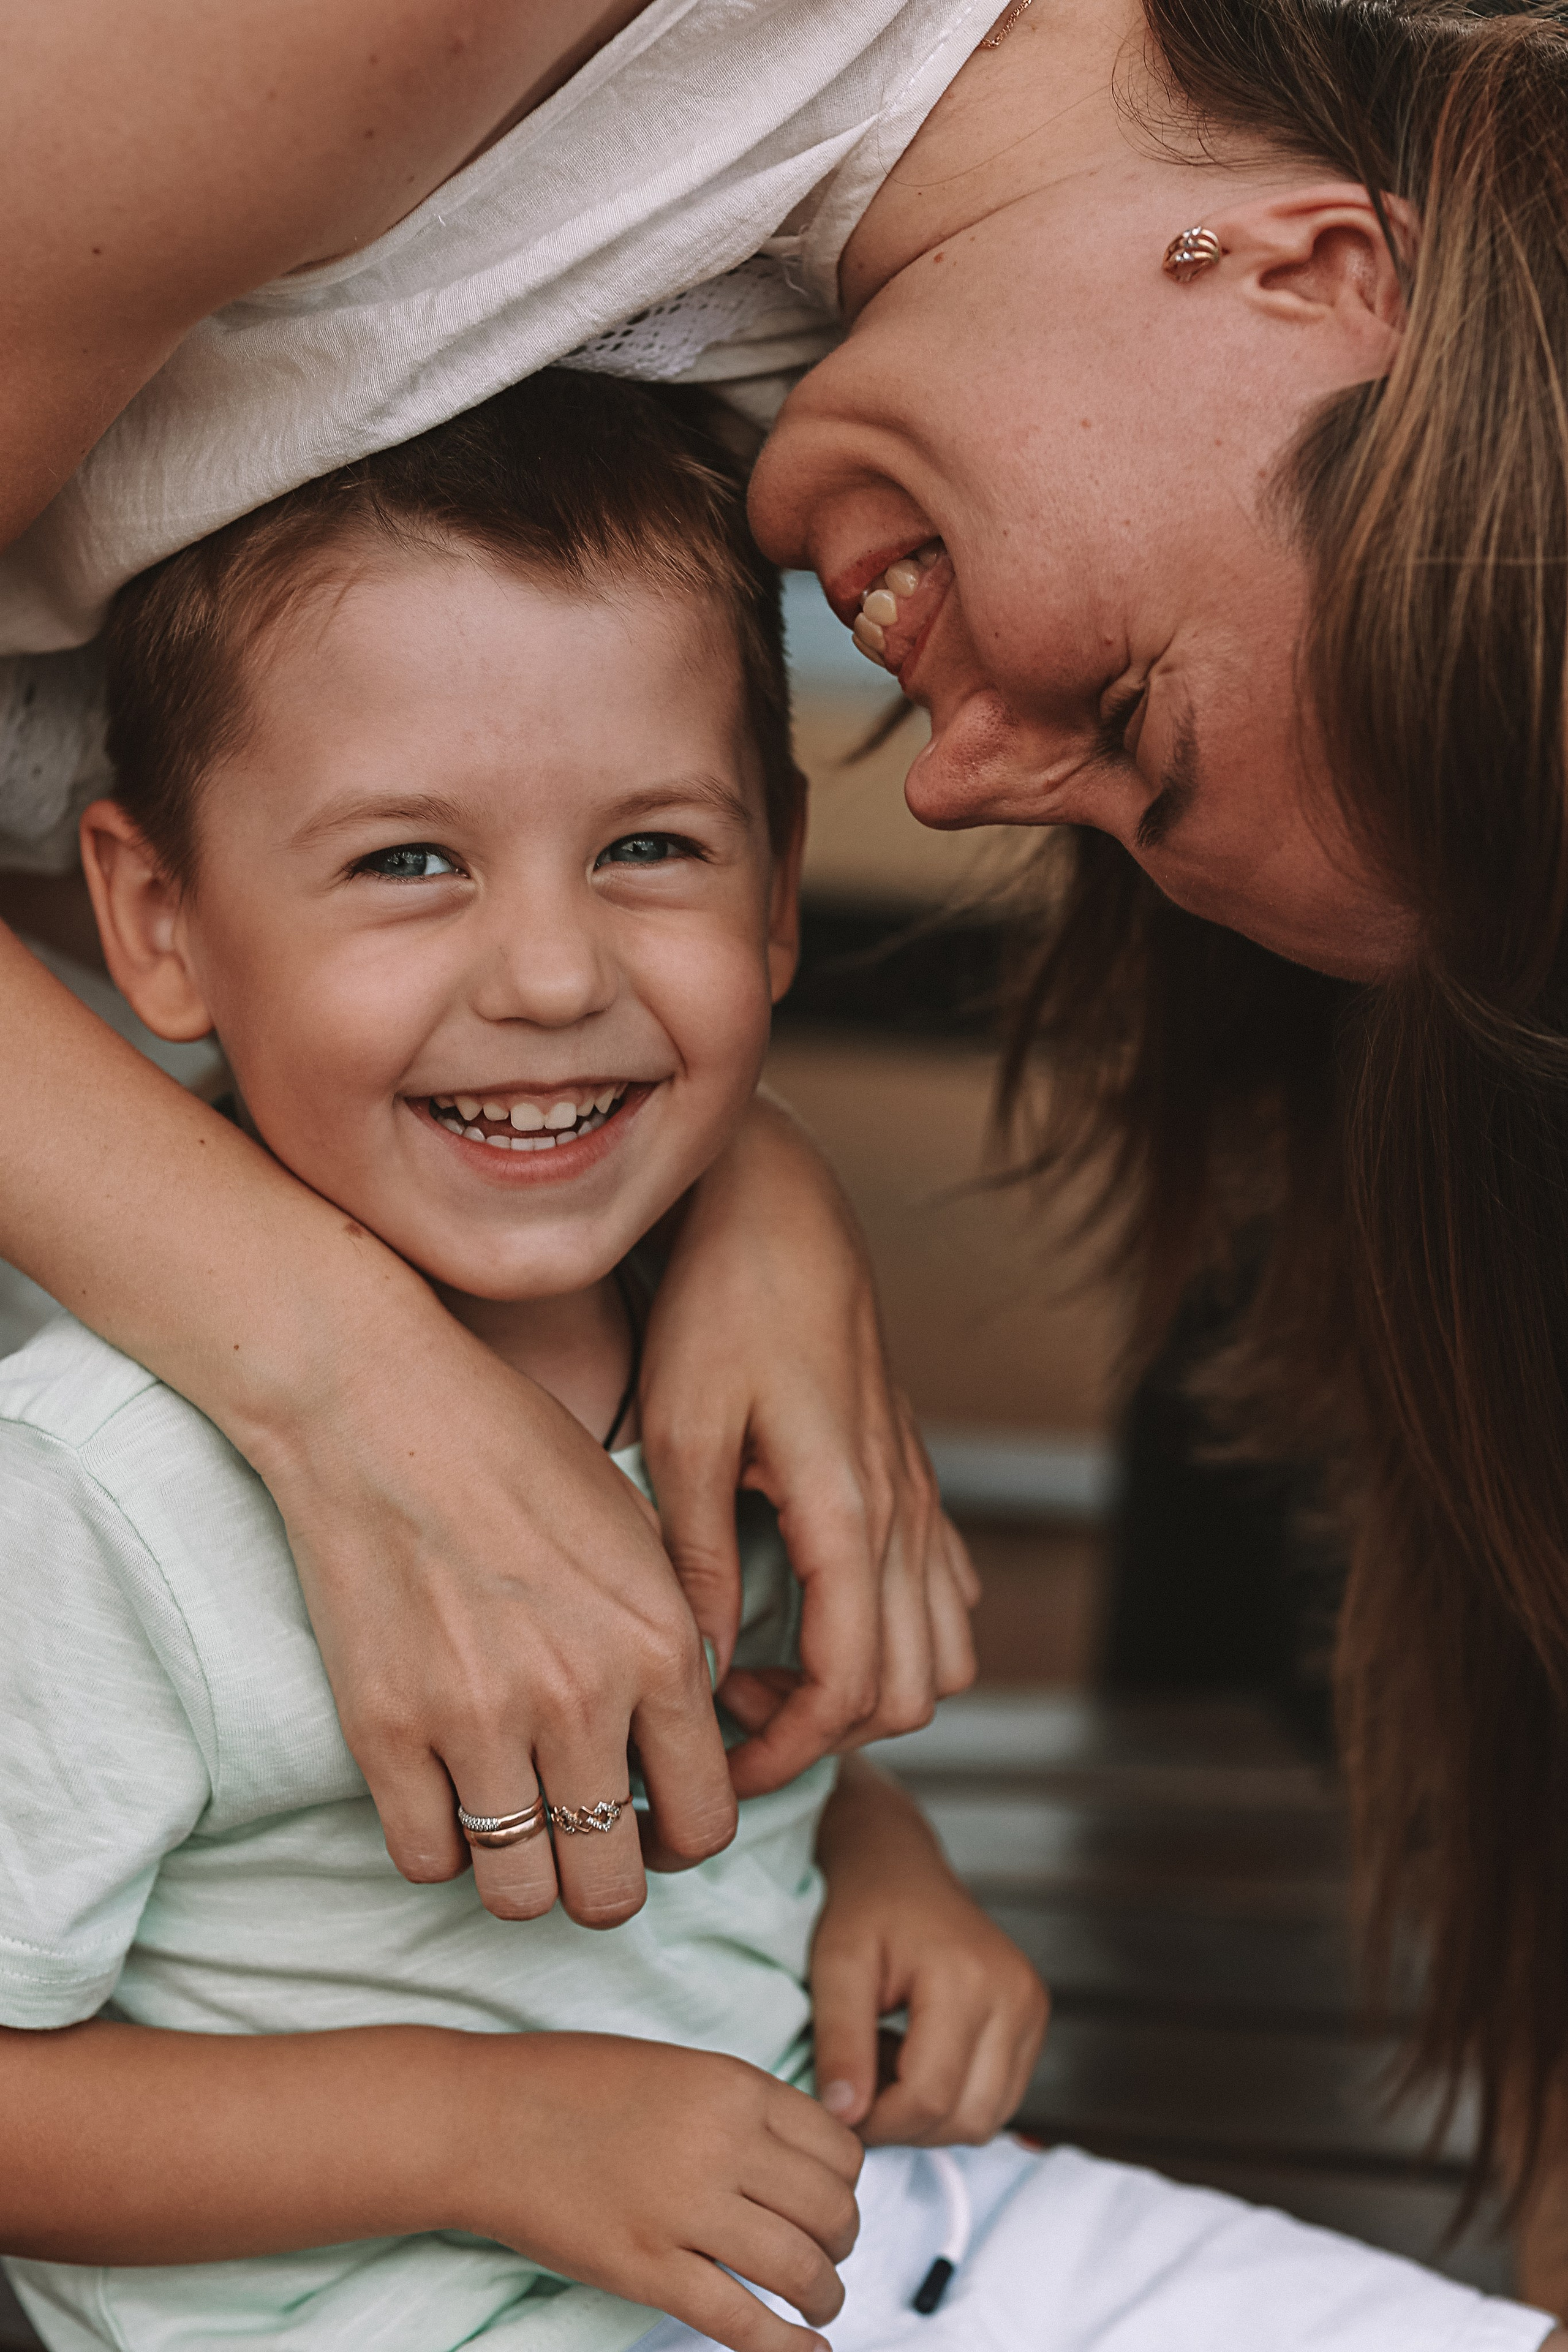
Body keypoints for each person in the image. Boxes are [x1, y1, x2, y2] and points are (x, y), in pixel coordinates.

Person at [9, 0, 1568, 2288]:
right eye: (1133, 712)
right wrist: (339, 1367)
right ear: (1316, 269)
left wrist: (735, 1180)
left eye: (1111, 797)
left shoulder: (807, 303)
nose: (950, 789)